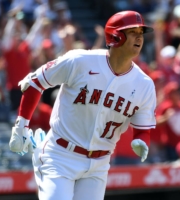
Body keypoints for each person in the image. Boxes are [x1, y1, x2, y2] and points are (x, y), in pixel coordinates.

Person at [9, 11, 156, 200]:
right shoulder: (80, 61)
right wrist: (21, 125)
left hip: (99, 164)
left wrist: (142, 140)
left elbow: (142, 128)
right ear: (115, 36)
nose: (139, 37)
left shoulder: (144, 84)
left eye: (141, 32)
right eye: (133, 31)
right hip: (60, 155)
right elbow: (34, 83)